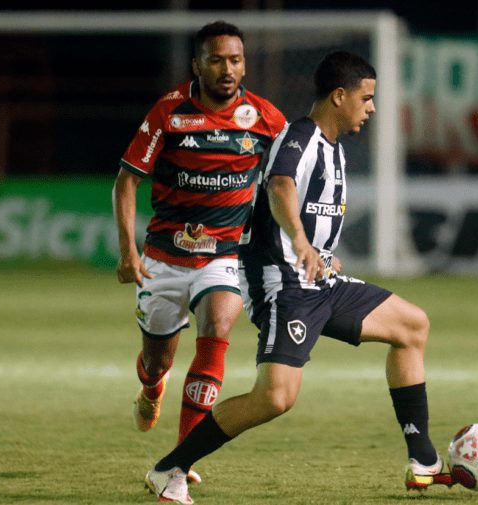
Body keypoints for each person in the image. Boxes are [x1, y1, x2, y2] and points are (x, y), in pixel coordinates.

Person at [143, 51, 453, 504]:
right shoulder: (300, 137)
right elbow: (280, 187)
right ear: (339, 96)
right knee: (275, 399)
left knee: (411, 325)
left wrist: (322, 255)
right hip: (281, 283)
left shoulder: (334, 149)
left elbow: (310, 212)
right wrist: (302, 244)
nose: (371, 108)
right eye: (366, 99)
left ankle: (422, 461)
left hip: (318, 282)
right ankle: (170, 467)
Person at [112, 20, 287, 456]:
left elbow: (289, 179)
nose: (227, 69)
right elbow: (126, 182)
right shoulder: (169, 112)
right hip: (163, 258)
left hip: (224, 257)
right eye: (216, 60)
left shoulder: (266, 119)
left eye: (235, 60)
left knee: (218, 329)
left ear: (244, 65)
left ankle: (180, 459)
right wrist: (127, 252)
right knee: (158, 362)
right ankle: (152, 387)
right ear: (197, 65)